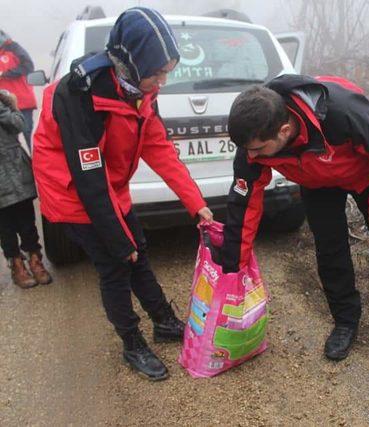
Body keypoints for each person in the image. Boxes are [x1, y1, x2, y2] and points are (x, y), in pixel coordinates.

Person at [32, 7, 213, 381]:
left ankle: (163, 320)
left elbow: (159, 148)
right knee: (117, 263)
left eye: (168, 71)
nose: (162, 81)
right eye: (157, 73)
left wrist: (197, 205)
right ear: (130, 63)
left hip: (109, 186)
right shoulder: (77, 95)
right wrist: (117, 239)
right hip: (74, 192)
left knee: (139, 252)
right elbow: (88, 179)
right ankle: (132, 343)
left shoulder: (141, 91)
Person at [221, 74, 369, 361]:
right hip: (317, 184)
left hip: (365, 175)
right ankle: (346, 321)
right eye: (247, 150)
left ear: (283, 130)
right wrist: (234, 265)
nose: (250, 155)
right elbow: (243, 206)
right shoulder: (252, 145)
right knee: (331, 252)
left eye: (257, 149)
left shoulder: (341, 112)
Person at [0, 89, 51, 288]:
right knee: (5, 226)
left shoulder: (4, 99)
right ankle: (16, 264)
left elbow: (19, 124)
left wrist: (10, 104)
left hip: (16, 168)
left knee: (27, 221)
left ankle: (35, 259)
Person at [0, 31, 37, 149]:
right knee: (9, 139)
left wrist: (4, 74)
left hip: (22, 100)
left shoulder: (14, 48)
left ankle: (36, 164)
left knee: (28, 133)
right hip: (4, 105)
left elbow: (28, 66)